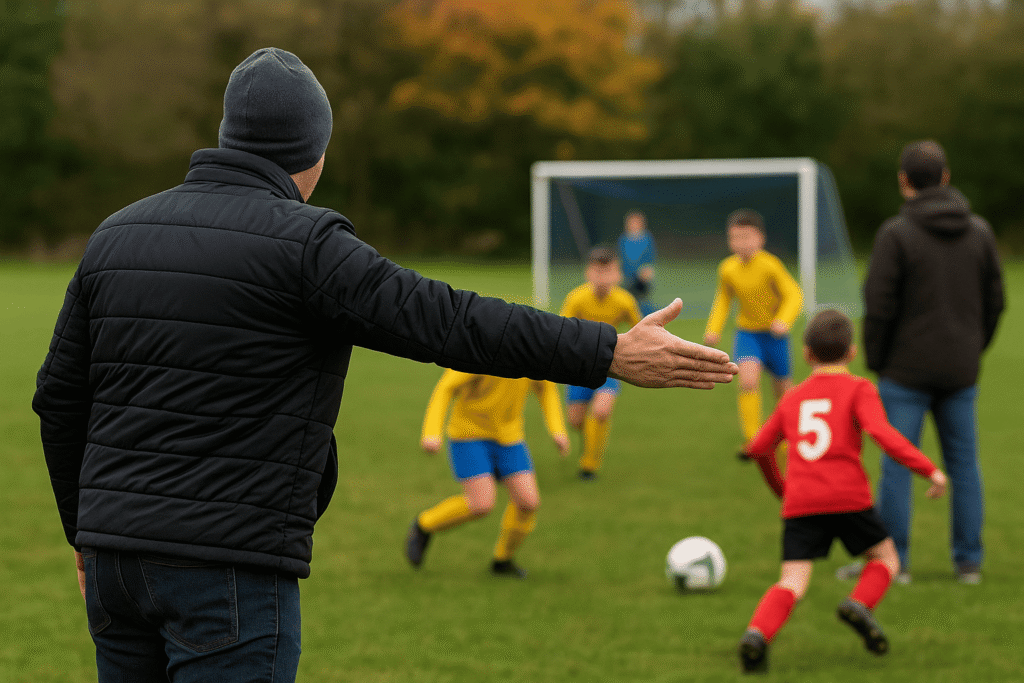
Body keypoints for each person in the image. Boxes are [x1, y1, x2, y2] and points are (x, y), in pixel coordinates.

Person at [31, 48, 738, 682]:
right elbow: (452, 322)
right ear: (314, 152)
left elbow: (58, 398)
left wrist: (84, 535)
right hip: (229, 570)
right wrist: (608, 349)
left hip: (115, 564)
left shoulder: (114, 235)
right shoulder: (307, 245)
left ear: (227, 135)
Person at [737, 309, 948, 675]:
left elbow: (758, 448)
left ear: (807, 354)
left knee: (792, 581)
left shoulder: (792, 397)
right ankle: (859, 604)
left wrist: (781, 489)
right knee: (886, 559)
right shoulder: (859, 388)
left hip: (802, 502)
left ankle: (757, 634)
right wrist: (928, 470)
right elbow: (882, 433)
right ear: (852, 353)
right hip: (849, 497)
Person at [853, 139, 1004, 585]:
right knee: (964, 465)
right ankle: (968, 563)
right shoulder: (980, 232)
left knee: (897, 465)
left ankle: (893, 563)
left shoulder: (895, 234)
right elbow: (996, 302)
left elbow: (878, 305)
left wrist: (878, 359)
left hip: (904, 371)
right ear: (946, 177)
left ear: (904, 181)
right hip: (961, 370)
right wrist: (972, 349)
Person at [405, 370, 570, 578]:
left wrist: (557, 430)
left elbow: (546, 389)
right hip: (469, 434)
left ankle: (502, 560)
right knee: (481, 504)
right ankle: (424, 525)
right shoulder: (481, 353)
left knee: (528, 502)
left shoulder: (534, 355)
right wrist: (431, 432)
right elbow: (446, 387)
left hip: (510, 437)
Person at [704, 209, 803, 454]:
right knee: (747, 382)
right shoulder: (727, 268)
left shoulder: (771, 265)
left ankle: (788, 436)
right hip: (747, 334)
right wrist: (713, 328)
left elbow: (793, 294)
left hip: (775, 336)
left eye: (746, 237)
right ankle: (753, 440)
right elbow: (723, 299)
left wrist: (783, 320)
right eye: (735, 237)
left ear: (761, 238)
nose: (741, 243)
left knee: (783, 391)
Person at [559, 246, 643, 479]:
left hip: (608, 366)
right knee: (575, 421)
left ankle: (590, 464)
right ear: (588, 273)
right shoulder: (576, 298)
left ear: (618, 274)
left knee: (601, 411)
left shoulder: (625, 301)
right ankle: (590, 441)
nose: (603, 277)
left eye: (608, 272)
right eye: (598, 271)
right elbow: (561, 331)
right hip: (578, 366)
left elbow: (641, 331)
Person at [618, 209, 657, 316]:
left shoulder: (647, 238)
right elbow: (621, 258)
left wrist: (647, 270)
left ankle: (647, 313)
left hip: (641, 275)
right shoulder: (623, 239)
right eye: (631, 222)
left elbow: (650, 257)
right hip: (627, 275)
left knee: (641, 299)